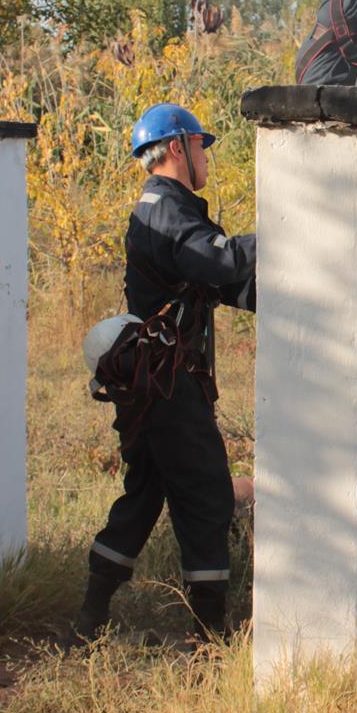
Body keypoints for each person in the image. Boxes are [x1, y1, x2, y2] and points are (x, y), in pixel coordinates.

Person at [75, 102, 256, 641]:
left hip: (153, 383)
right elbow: (219, 260)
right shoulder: (167, 209)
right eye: (201, 145)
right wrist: (289, 242)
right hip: (170, 383)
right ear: (178, 147)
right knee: (206, 494)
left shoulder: (168, 208)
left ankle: (89, 617)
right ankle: (210, 634)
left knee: (144, 493)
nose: (205, 156)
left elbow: (218, 280)